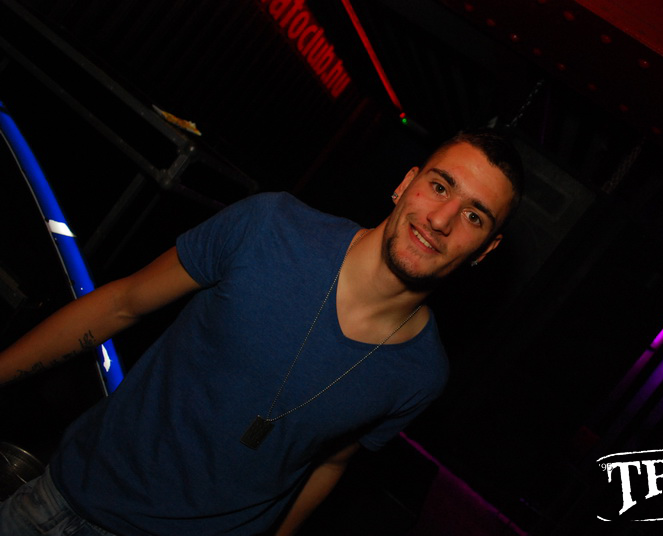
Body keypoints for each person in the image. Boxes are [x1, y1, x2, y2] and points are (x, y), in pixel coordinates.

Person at [0, 128, 523, 535]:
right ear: (405, 183)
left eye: (474, 217)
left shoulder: (422, 373)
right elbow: (121, 303)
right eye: (439, 187)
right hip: (64, 499)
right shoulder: (269, 226)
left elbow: (331, 462)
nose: (442, 220)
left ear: (486, 250)